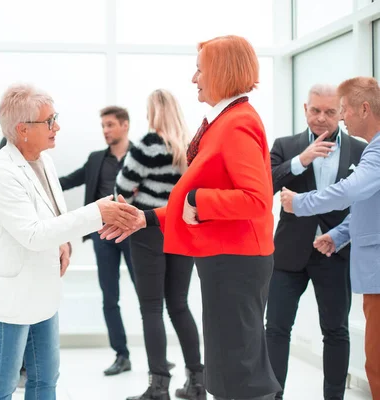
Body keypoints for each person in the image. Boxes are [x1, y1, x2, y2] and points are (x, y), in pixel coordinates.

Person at [101, 35, 282, 400]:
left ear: (220, 71)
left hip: (238, 262)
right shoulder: (225, 121)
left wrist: (200, 198)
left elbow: (256, 199)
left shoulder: (237, 123)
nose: (194, 77)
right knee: (230, 367)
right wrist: (147, 219)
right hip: (226, 260)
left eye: (199, 69)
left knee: (241, 372)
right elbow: (187, 201)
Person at [0, 83, 141, 400]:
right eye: (49, 121)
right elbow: (33, 233)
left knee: (46, 379)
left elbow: (50, 213)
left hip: (42, 292)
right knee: (1, 385)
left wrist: (63, 243)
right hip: (10, 297)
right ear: (22, 130)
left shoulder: (43, 160)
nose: (56, 126)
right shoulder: (2, 173)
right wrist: (96, 212)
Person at [280, 77, 380, 400]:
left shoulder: (368, 150)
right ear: (305, 109)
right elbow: (368, 208)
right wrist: (338, 235)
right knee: (277, 329)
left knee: (355, 346)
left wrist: (300, 203)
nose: (332, 118)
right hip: (294, 253)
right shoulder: (286, 145)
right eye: (317, 110)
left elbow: (350, 192)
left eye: (339, 111)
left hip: (351, 265)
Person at [116, 89, 204, 400]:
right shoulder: (190, 147)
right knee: (179, 304)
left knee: (151, 307)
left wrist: (140, 192)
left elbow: (122, 189)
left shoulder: (147, 145)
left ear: (153, 112)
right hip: (182, 229)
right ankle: (197, 382)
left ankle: (159, 386)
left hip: (149, 229)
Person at [59, 105, 138, 376]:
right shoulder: (96, 159)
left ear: (124, 125)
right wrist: (34, 182)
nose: (105, 130)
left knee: (147, 296)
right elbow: (69, 181)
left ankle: (156, 355)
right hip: (103, 236)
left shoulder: (141, 157)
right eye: (103, 126)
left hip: (135, 235)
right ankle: (122, 355)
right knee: (109, 297)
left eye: (110, 125)